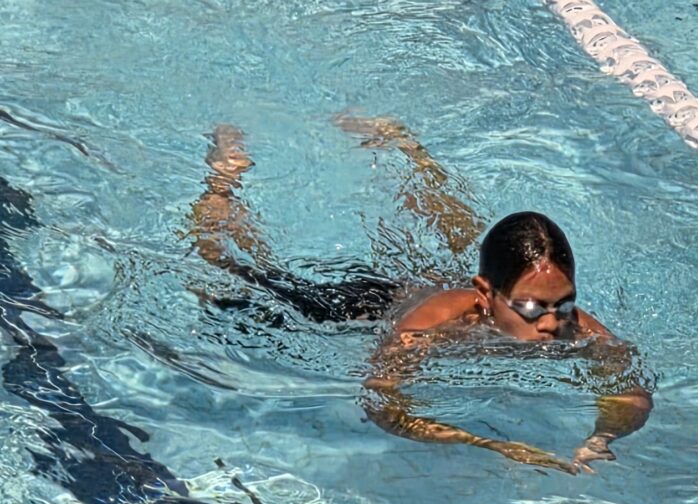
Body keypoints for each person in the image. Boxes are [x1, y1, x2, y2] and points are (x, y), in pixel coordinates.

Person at [187, 117, 653, 475]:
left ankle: (407, 149)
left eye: (564, 303)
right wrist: (489, 444)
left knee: (464, 235)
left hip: (435, 283)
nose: (552, 323)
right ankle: (223, 179)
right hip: (369, 306)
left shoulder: (573, 325)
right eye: (531, 308)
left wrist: (602, 437)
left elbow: (631, 391)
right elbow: (381, 402)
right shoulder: (428, 328)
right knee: (227, 271)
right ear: (485, 294)